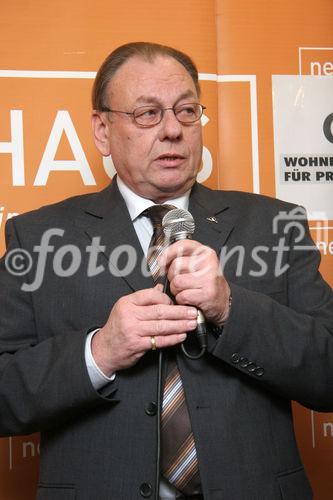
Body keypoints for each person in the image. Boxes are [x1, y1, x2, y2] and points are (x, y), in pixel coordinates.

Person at [0, 42, 332, 500]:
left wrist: (230, 308)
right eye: (148, 114)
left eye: (187, 111)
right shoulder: (37, 237)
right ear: (102, 129)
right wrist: (100, 352)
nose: (173, 130)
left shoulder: (276, 225)